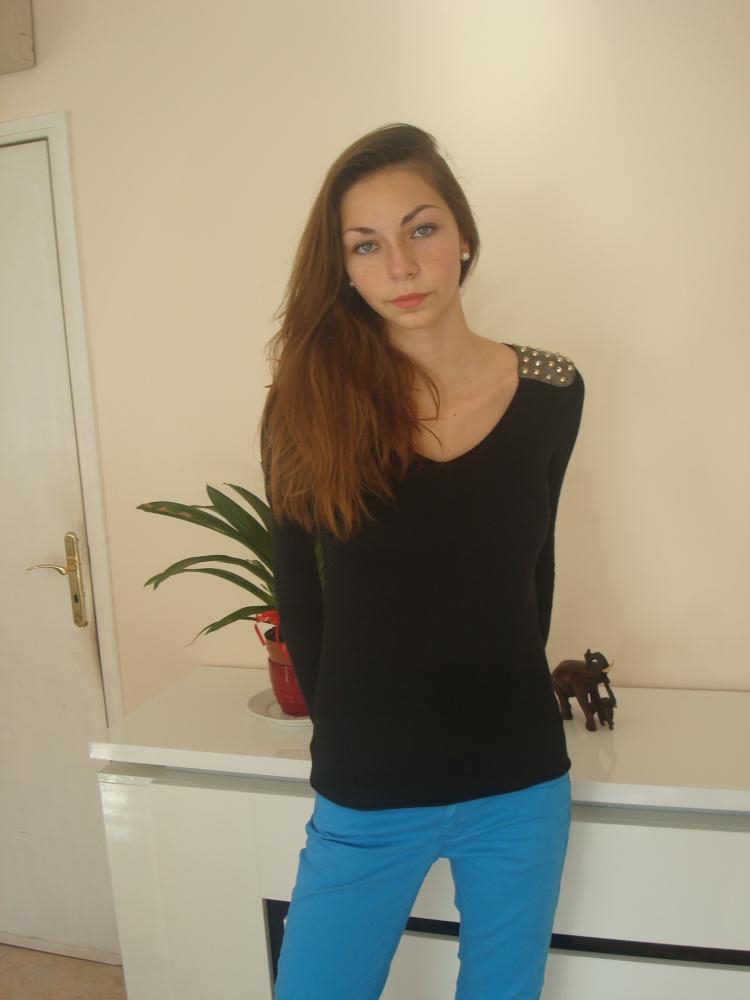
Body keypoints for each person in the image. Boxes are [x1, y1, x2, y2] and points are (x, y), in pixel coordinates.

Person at [260, 123, 584, 1000]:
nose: (401, 266)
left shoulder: (554, 391)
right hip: (367, 787)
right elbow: (298, 593)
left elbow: (536, 566)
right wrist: (344, 743)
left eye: (422, 229)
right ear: (344, 269)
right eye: (366, 245)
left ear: (463, 235)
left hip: (518, 780)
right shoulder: (307, 403)